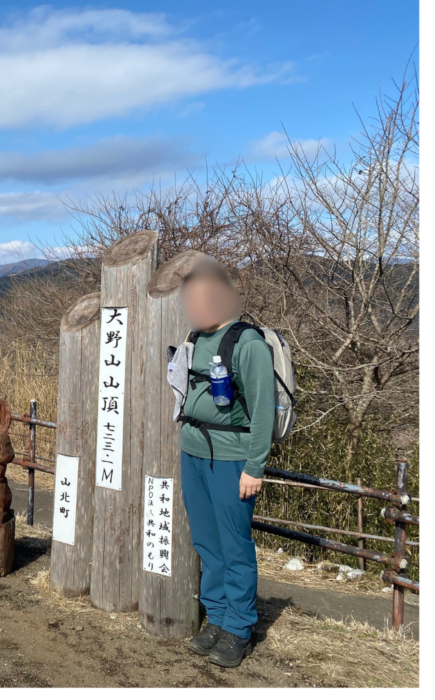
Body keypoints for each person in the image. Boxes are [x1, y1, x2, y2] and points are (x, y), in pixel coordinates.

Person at [178, 256, 275, 668]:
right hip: (193, 453)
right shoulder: (195, 338)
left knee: (234, 545)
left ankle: (239, 627)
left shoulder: (247, 343)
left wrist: (255, 467)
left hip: (232, 458)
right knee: (207, 542)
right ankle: (216, 617)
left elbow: (263, 409)